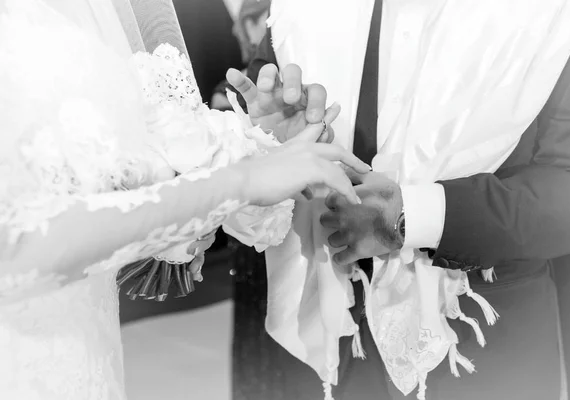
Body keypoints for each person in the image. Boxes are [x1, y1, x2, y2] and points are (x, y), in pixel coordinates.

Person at [227, 0, 570, 399]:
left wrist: (411, 216)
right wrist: (271, 146)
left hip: (483, 346)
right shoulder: (299, 9)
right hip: (323, 345)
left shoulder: (565, 10)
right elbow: (261, 148)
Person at [0, 0, 370, 399]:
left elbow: (141, 174)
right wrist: (239, 181)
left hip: (85, 355)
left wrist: (258, 142)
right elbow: (16, 247)